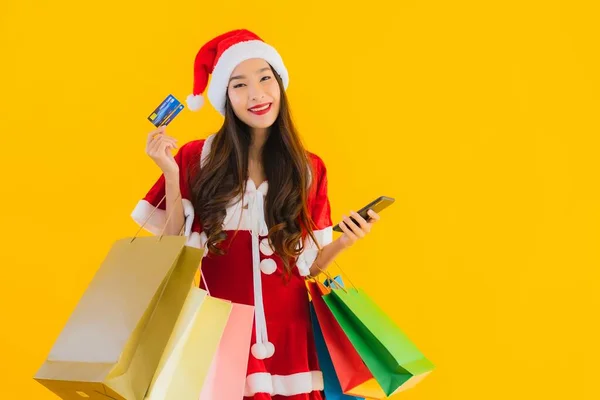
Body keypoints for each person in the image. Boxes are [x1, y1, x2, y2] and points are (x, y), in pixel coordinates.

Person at [131, 29, 381, 400]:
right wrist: (169, 173)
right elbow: (172, 249)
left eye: (265, 78)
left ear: (279, 85)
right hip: (220, 330)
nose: (256, 94)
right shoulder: (196, 159)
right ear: (225, 98)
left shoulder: (308, 168)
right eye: (239, 85)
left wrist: (345, 240)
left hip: (290, 334)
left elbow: (307, 267)